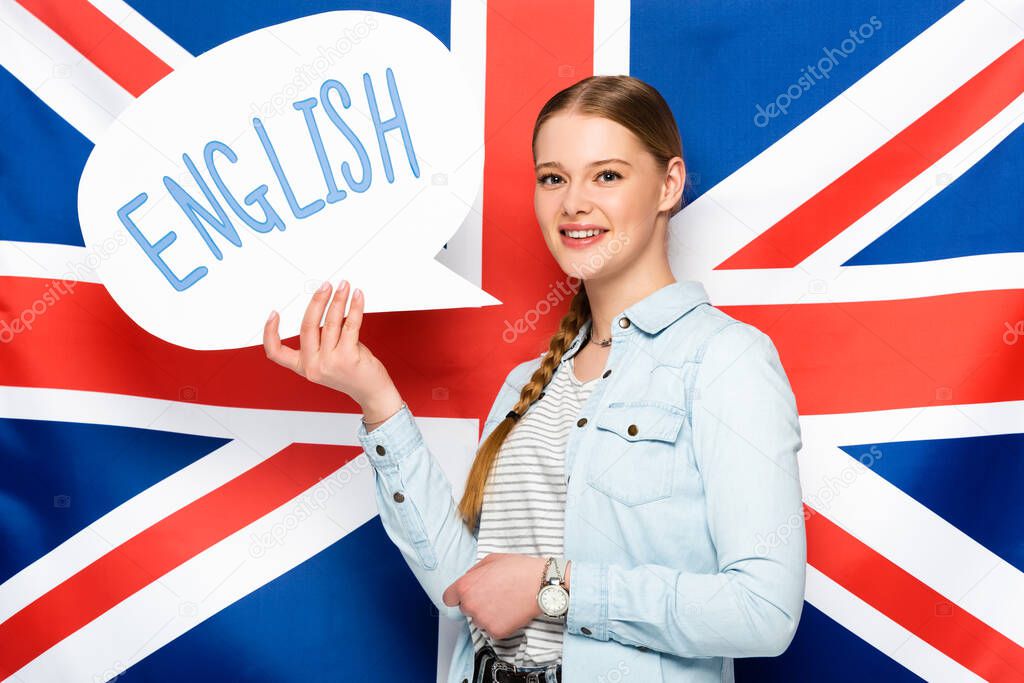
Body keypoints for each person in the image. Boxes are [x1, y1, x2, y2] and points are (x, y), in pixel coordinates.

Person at [263, 74, 806, 683]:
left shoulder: (726, 361)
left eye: (607, 175)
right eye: (553, 177)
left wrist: (556, 586)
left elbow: (765, 610)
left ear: (668, 185)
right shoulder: (528, 384)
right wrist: (376, 399)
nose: (573, 201)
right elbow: (464, 587)